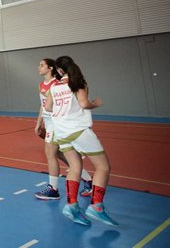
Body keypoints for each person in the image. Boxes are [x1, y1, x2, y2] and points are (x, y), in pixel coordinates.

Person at [46, 56, 118, 226]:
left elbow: (48, 107)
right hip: (78, 129)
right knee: (103, 166)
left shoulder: (53, 85)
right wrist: (95, 104)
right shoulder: (77, 81)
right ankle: (96, 206)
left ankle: (71, 206)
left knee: (75, 167)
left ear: (59, 69)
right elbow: (84, 103)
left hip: (61, 132)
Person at [34, 58, 93, 200]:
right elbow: (43, 105)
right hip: (48, 122)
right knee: (61, 154)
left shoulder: (58, 84)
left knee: (49, 153)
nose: (38, 67)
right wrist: (38, 123)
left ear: (51, 68)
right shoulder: (41, 85)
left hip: (56, 121)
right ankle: (88, 180)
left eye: (42, 65)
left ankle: (53, 190)